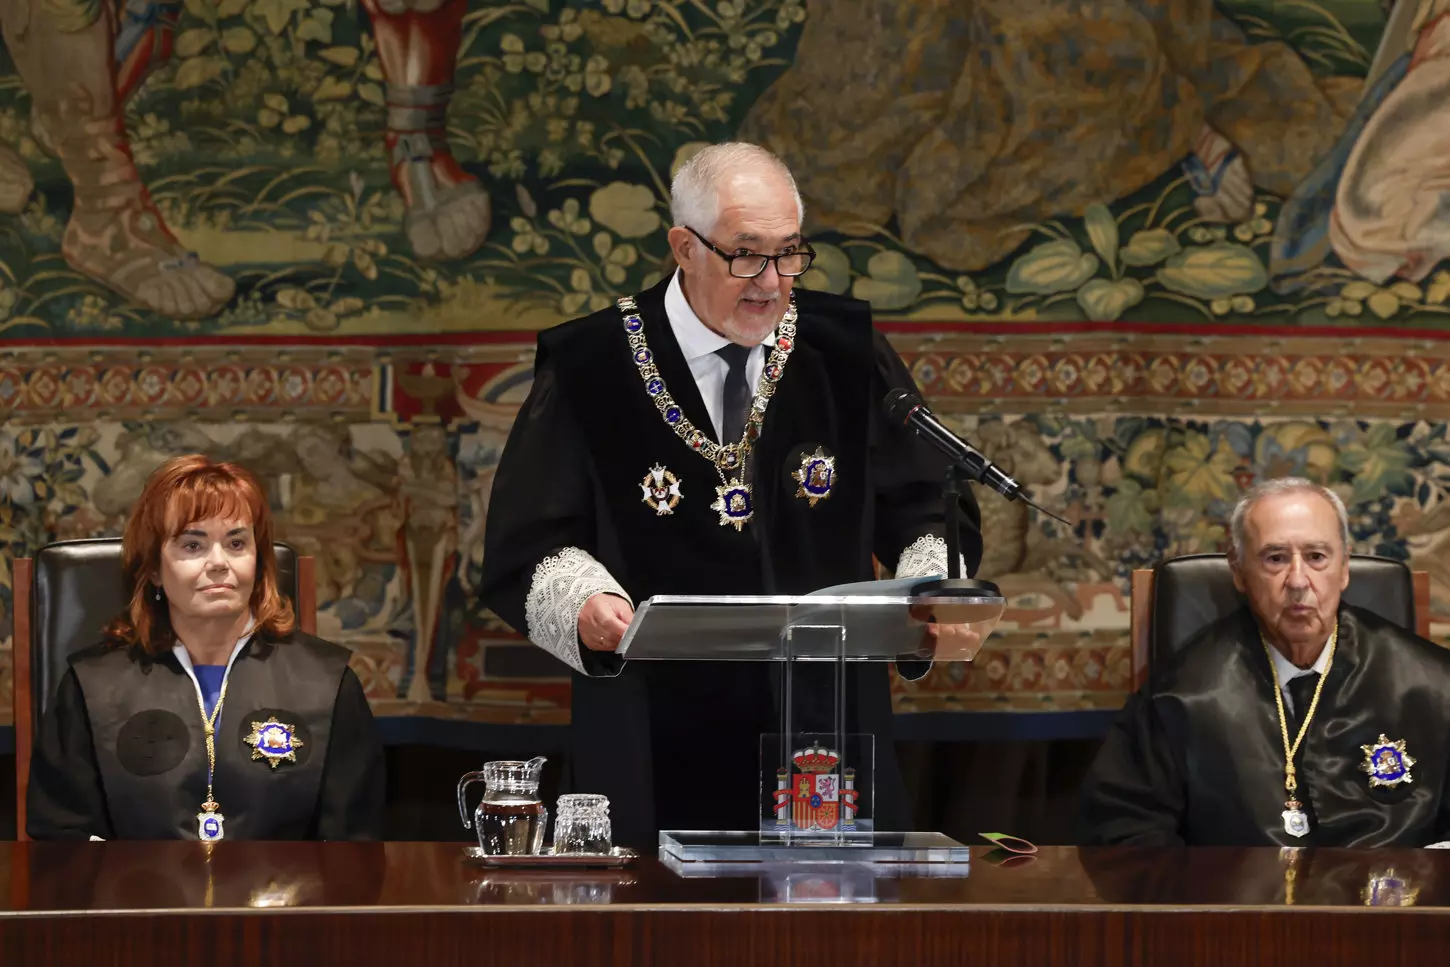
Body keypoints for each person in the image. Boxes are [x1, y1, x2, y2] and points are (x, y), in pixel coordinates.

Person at [478, 141, 984, 847]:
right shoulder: (591, 363)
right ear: (684, 247)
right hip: (649, 731)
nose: (771, 282)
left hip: (826, 730)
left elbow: (926, 501)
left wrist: (932, 590)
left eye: (790, 253)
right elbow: (528, 539)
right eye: (746, 255)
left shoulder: (842, 350)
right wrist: (587, 604)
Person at [27, 455, 385, 840]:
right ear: (152, 569)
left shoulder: (329, 685)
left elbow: (354, 850)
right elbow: (61, 839)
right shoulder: (90, 686)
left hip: (289, 899)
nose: (218, 563)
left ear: (258, 559)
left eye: (236, 543)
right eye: (193, 545)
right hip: (137, 897)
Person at [1078, 476, 1450, 847]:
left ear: (1345, 568)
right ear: (1239, 572)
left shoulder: (1435, 685)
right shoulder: (1179, 696)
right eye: (1275, 559)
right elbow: (1125, 831)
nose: (1298, 580)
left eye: (1317, 557)